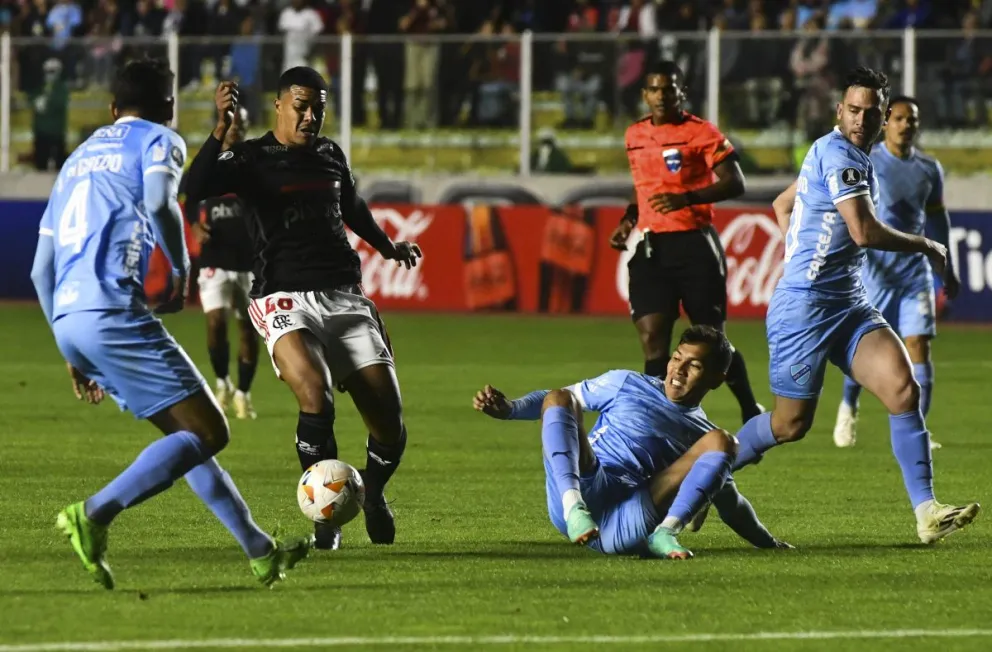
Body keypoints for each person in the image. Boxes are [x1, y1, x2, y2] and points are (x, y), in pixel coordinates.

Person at [29, 58, 312, 590]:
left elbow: (39, 269)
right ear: (169, 108)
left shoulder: (75, 160)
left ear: (112, 109)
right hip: (113, 311)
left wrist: (71, 348)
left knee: (185, 436)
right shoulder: (159, 138)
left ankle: (260, 550)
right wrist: (181, 266)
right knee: (210, 431)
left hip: (68, 316)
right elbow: (161, 201)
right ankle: (93, 514)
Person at [735, 67, 979, 544]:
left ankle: (927, 512)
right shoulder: (840, 154)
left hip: (847, 302)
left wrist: (799, 249)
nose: (861, 119)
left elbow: (784, 204)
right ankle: (710, 467)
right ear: (838, 111)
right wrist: (927, 247)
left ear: (882, 116)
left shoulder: (849, 156)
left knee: (903, 390)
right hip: (804, 308)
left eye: (871, 112)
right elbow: (863, 231)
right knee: (790, 424)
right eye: (853, 110)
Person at [183, 68, 422, 551]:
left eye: (319, 107)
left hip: (345, 294)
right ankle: (325, 518)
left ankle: (372, 494)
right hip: (282, 296)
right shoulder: (249, 157)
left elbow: (352, 208)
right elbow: (197, 183)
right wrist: (218, 127)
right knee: (315, 395)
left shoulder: (331, 154)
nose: (311, 116)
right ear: (279, 105)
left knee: (390, 424)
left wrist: (387, 245)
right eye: (302, 106)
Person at [473, 325, 791, 559]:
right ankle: (574, 510)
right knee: (560, 396)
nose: (677, 370)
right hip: (586, 488)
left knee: (724, 441)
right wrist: (510, 409)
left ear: (717, 378)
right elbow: (554, 403)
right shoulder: (626, 383)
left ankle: (666, 533)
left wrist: (768, 542)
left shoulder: (702, 436)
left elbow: (731, 504)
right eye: (676, 358)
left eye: (693, 365)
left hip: (630, 520)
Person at [610, 60, 763, 425]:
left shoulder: (701, 132)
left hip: (695, 245)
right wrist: (631, 217)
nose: (661, 95)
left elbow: (735, 182)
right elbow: (645, 189)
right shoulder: (634, 136)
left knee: (712, 338)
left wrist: (686, 198)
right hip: (651, 247)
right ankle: (656, 420)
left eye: (669, 88)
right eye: (654, 89)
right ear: (644, 94)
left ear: (681, 92)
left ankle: (748, 407)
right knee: (652, 337)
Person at [832, 96, 957, 452]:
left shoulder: (929, 168)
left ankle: (919, 431)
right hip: (875, 271)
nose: (906, 125)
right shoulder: (868, 163)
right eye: (900, 118)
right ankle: (848, 406)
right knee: (863, 347)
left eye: (912, 120)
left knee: (919, 345)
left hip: (913, 272)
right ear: (886, 122)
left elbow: (936, 217)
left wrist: (946, 265)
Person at [181, 106, 259, 420]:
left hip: (251, 261)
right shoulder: (208, 165)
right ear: (223, 125)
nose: (236, 128)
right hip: (214, 258)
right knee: (215, 324)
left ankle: (243, 392)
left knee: (248, 331)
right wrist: (194, 226)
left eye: (242, 123)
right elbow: (188, 198)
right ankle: (222, 382)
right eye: (232, 123)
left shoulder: (255, 162)